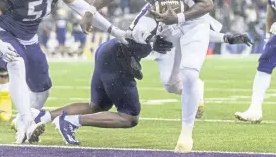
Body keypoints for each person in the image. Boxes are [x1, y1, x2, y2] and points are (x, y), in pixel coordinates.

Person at [81, 0, 217, 153]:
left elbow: (207, 3)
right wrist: (90, 10)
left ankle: (186, 134)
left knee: (190, 72)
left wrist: (180, 16)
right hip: (166, 21)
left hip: (193, 21)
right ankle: (196, 90)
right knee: (171, 84)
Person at [0, 0, 129, 143]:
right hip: (2, 32)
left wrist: (114, 30)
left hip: (29, 39)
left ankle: (22, 123)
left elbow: (83, 7)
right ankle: (27, 122)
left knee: (42, 90)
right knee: (16, 63)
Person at [24, 36, 173, 145]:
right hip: (118, 57)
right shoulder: (166, 10)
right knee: (129, 116)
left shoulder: (157, 7)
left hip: (109, 49)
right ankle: (71, 121)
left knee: (97, 106)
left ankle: (43, 117)